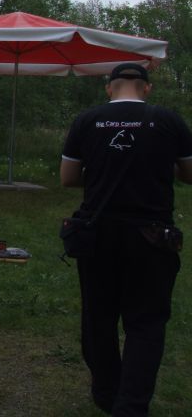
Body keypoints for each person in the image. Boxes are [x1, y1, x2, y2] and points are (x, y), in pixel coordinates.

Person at [60, 63, 192, 416]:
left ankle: (106, 394)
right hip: (152, 237)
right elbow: (189, 174)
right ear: (146, 88)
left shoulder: (87, 121)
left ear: (109, 88)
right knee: (146, 323)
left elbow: (68, 177)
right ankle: (131, 406)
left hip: (97, 235)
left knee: (98, 318)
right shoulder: (168, 120)